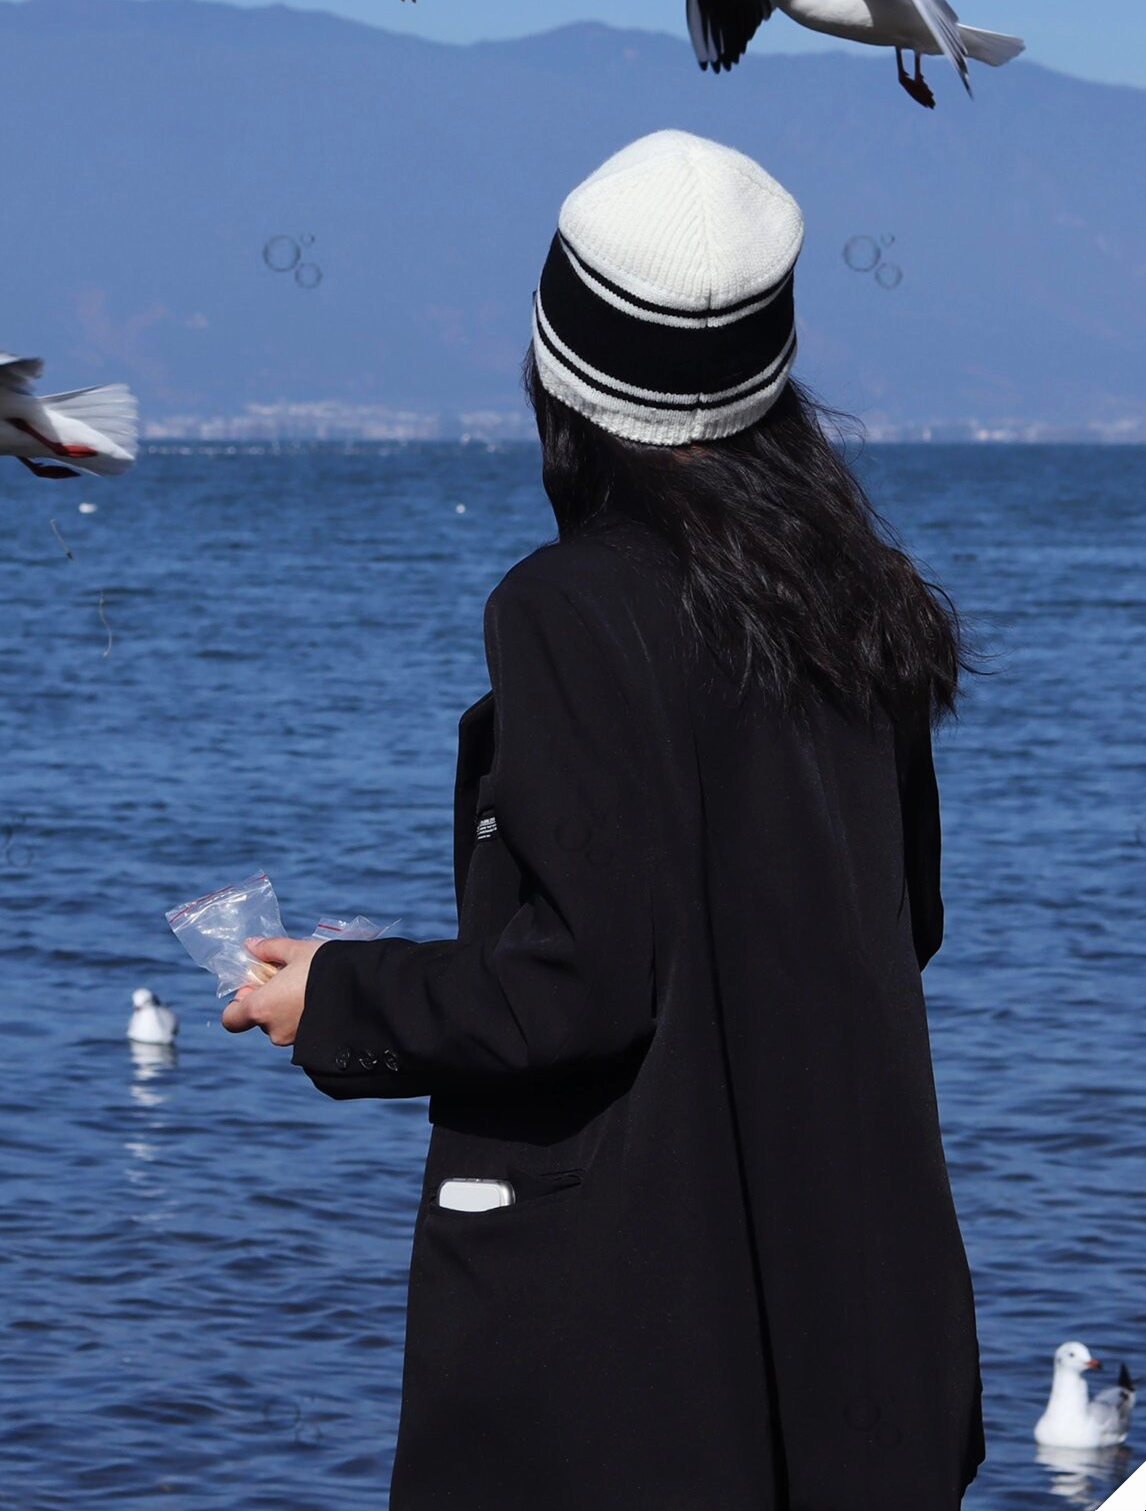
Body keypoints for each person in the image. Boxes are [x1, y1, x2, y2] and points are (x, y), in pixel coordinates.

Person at [224, 128, 983, 1509]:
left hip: (631, 1360)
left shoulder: (568, 608)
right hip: (857, 1328)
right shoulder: (856, 595)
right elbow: (895, 930)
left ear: (554, 365)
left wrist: (337, 996)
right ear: (773, 356)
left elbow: (576, 987)